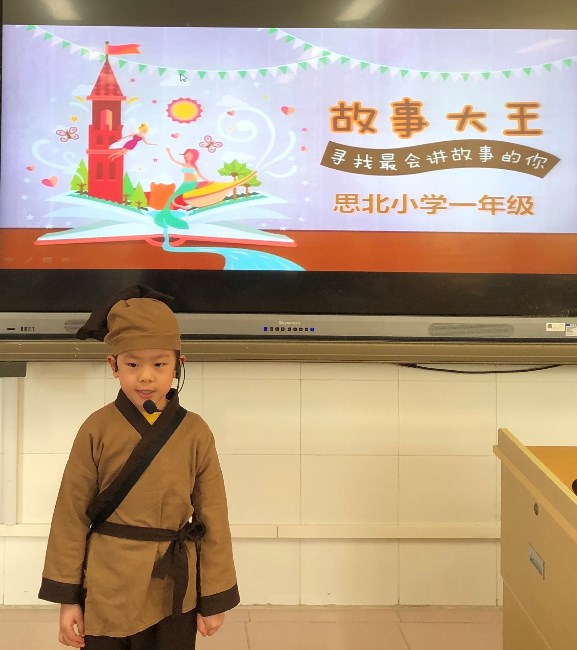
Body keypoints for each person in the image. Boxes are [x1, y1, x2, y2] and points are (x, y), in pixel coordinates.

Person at [38, 285, 239, 649]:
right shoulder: (96, 429)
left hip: (173, 586)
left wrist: (214, 598)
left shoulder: (195, 431)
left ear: (178, 365)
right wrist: (69, 599)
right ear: (113, 366)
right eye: (133, 364)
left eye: (159, 364)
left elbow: (213, 516)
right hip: (109, 582)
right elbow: (70, 515)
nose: (146, 376)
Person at [153, 148, 208, 229]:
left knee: (174, 198)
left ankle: (166, 214)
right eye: (187, 154)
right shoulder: (184, 164)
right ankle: (166, 214)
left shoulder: (194, 167)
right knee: (171, 198)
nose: (188, 155)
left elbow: (200, 176)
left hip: (191, 184)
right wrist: (169, 152)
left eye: (190, 154)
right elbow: (173, 160)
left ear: (194, 156)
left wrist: (208, 180)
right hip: (185, 183)